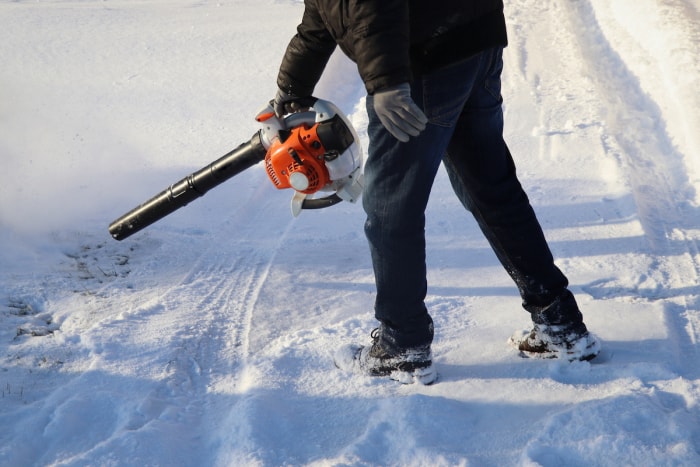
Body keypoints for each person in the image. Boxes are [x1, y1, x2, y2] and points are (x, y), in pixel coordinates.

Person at [272, 0, 600, 385]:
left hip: (421, 62)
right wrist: (290, 89)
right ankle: (559, 320)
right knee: (490, 186)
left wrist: (387, 82)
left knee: (391, 209)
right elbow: (323, 13)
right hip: (473, 40)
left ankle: (402, 345)